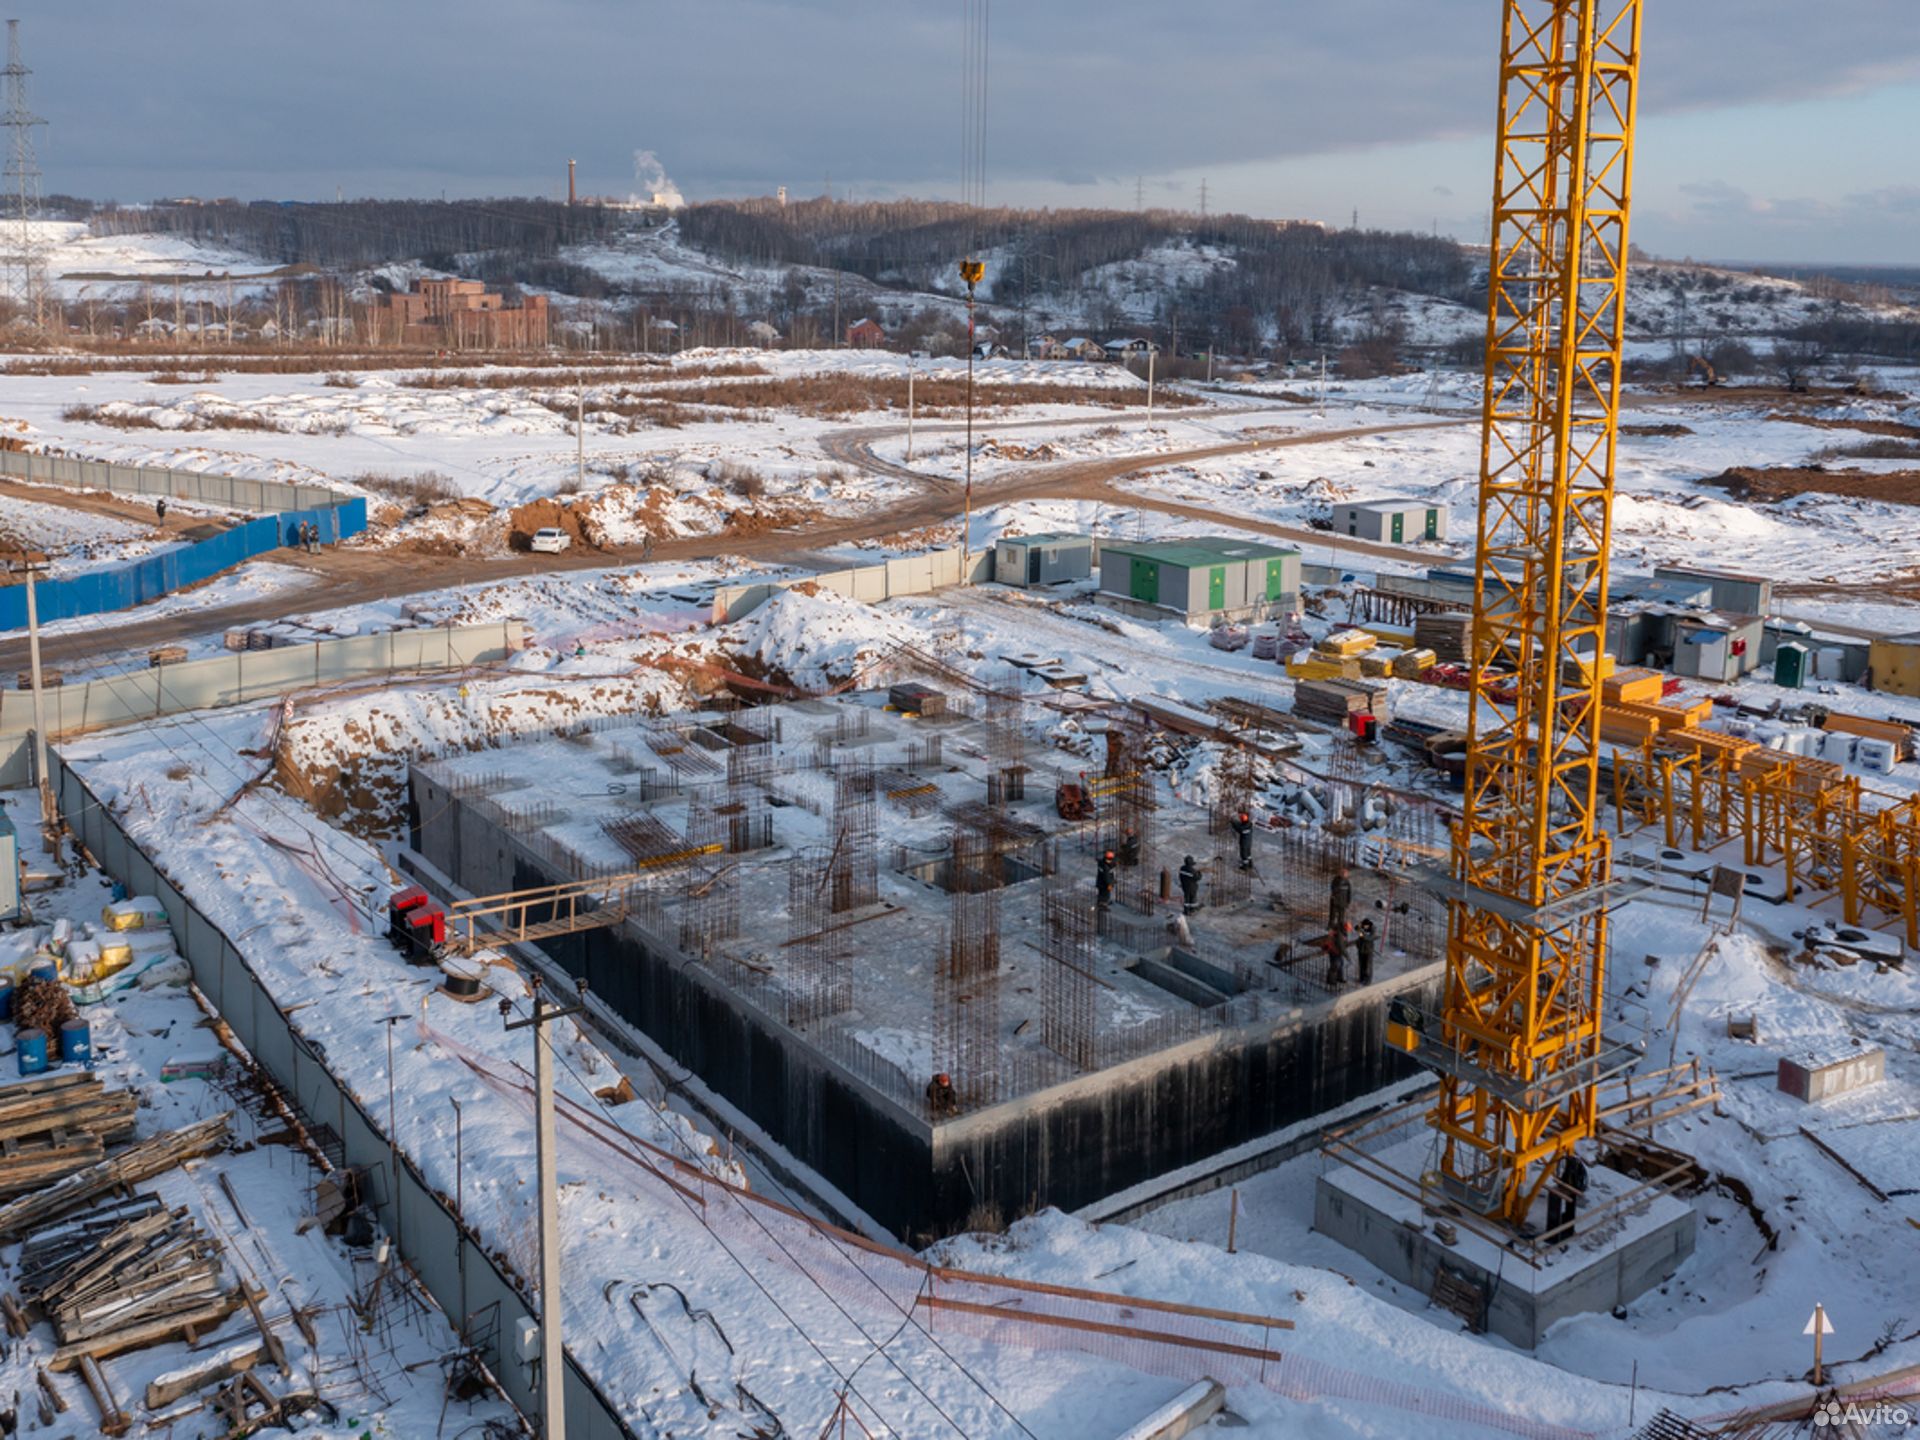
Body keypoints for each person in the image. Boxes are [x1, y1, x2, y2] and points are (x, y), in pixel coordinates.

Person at [1328, 866, 1353, 934]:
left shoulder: (1347, 882)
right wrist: (1339, 885)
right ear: (1340, 873)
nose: (1344, 874)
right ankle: (1330, 926)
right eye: (1343, 873)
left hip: (1343, 902)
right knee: (1332, 915)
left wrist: (1348, 901)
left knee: (1341, 917)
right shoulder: (1336, 880)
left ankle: (1340, 928)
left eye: (1346, 873)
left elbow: (1349, 892)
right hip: (1335, 901)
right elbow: (1333, 889)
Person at [1325, 923, 1349, 988]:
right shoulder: (1339, 934)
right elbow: (1341, 945)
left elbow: (1344, 943)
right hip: (1334, 951)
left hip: (1338, 952)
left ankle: (1339, 978)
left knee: (1341, 964)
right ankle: (1331, 981)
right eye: (1347, 929)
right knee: (1334, 966)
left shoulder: (1343, 933)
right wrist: (1347, 956)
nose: (1348, 931)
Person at [1355, 918, 1376, 986]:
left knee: (1368, 966)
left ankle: (1368, 980)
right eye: (1363, 926)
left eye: (1365, 926)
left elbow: (1368, 938)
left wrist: (1362, 932)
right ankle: (1362, 978)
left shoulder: (1373, 930)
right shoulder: (1363, 927)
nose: (1364, 927)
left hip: (1368, 950)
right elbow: (1359, 932)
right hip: (1361, 949)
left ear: (1368, 925)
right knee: (1361, 965)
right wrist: (1358, 928)